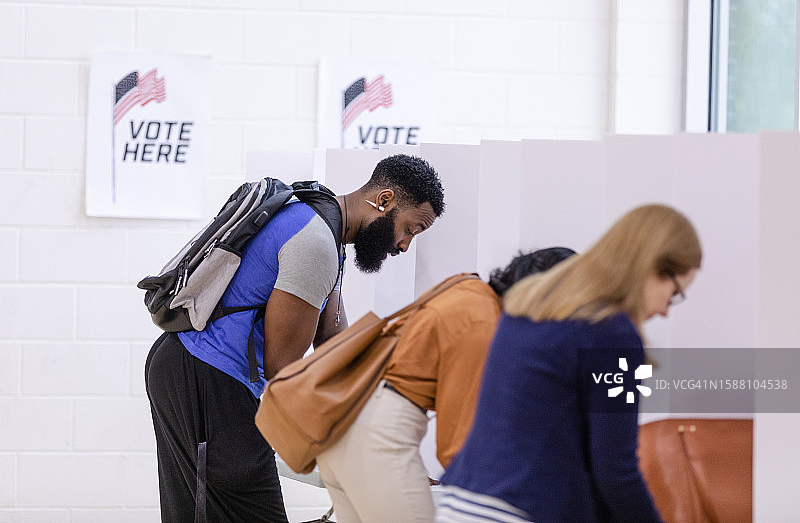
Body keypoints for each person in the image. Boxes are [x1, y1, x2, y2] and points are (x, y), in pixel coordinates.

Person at [144, 154, 445, 523]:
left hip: (193, 371)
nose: (403, 246)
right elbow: (284, 371)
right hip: (206, 379)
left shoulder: (323, 230)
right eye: (410, 229)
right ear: (384, 201)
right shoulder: (316, 243)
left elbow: (336, 345)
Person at [437, 204, 702, 523]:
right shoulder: (614, 334)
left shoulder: (529, 305)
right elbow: (616, 473)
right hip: (520, 512)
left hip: (460, 503)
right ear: (653, 267)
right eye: (674, 295)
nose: (665, 311)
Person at [315, 247, 576, 523]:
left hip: (349, 430)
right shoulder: (482, 323)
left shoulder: (468, 288)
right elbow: (456, 442)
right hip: (378, 440)